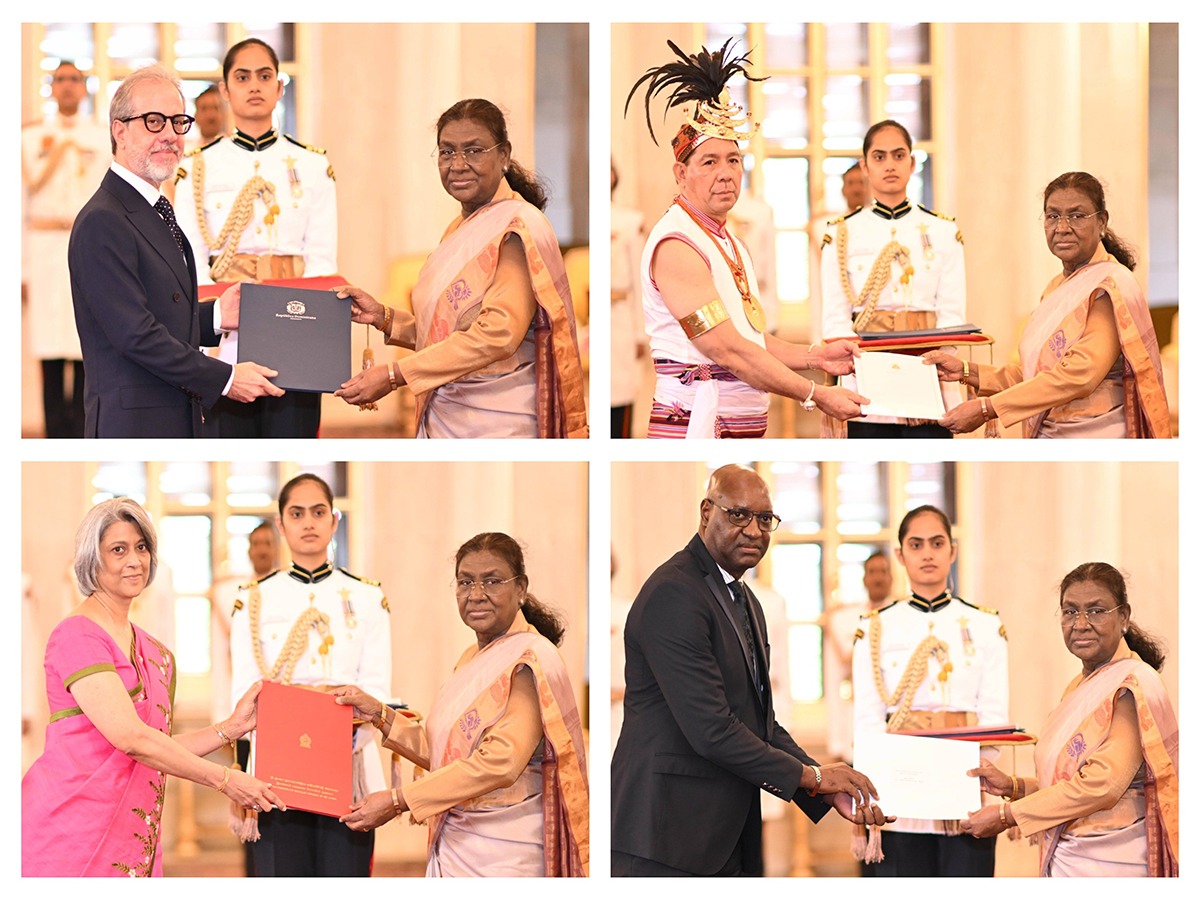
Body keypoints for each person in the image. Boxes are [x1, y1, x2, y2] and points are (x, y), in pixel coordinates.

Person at [611, 465, 890, 876]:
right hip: (666, 835)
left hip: (725, 831)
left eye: (765, 519)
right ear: (707, 512)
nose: (754, 531)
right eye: (738, 514)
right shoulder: (674, 592)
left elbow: (759, 721)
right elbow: (712, 729)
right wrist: (813, 776)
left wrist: (823, 790)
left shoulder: (746, 601)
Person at [21, 498, 282, 877]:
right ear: (91, 561)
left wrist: (232, 727)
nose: (134, 560)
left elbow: (156, 743)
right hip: (70, 835)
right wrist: (226, 780)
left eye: (141, 547)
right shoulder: (77, 634)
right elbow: (132, 739)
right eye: (118, 549)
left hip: (132, 837)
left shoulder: (153, 650)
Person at [624, 40, 867, 438]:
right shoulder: (677, 244)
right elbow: (727, 350)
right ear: (680, 174)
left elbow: (749, 337)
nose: (726, 173)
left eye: (733, 160)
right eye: (709, 162)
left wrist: (816, 356)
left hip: (737, 420)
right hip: (697, 424)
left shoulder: (727, 238)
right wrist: (815, 395)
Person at [333, 532, 589, 876]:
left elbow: (500, 762)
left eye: (492, 581)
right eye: (465, 582)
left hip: (506, 857)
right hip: (458, 844)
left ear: (521, 588)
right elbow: (450, 752)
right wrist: (381, 715)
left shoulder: (530, 658)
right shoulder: (472, 657)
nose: (476, 594)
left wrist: (399, 801)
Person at [333, 99, 587, 438]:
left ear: (504, 155)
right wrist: (383, 317)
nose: (459, 164)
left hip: (497, 425)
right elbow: (448, 331)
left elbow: (497, 334)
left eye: (474, 150)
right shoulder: (459, 228)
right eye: (447, 152)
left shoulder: (516, 228)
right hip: (448, 416)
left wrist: (396, 374)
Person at [68, 64, 282, 438]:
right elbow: (136, 334)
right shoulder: (103, 220)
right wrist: (227, 378)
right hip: (134, 425)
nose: (170, 135)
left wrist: (217, 315)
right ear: (119, 130)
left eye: (178, 122)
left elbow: (159, 311)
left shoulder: (153, 208)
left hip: (173, 415)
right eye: (153, 121)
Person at [961, 563, 1178, 877]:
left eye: (1096, 611)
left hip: (1113, 867)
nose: (1081, 624)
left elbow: (1103, 785)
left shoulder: (1130, 685)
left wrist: (1009, 815)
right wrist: (1014, 786)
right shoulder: (1080, 685)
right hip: (1074, 860)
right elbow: (1068, 782)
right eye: (1070, 611)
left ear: (1124, 617)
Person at [228, 473, 391, 876]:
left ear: (334, 520)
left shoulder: (368, 598)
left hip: (347, 764)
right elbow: (246, 691)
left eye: (318, 512)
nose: (309, 523)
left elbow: (377, 687)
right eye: (296, 514)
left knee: (344, 873)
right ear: (281, 524)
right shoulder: (253, 599)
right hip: (278, 770)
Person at [925, 172, 1170, 438]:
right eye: (1053, 216)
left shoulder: (1110, 285)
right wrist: (965, 371)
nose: (1062, 227)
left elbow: (1080, 375)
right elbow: (1039, 374)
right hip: (1051, 435)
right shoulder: (1056, 287)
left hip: (1096, 440)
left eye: (1076, 216)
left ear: (1101, 222)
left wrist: (988, 408)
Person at [174, 38, 337, 438]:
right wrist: (213, 329)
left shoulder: (313, 165)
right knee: (226, 437)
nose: (254, 86)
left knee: (292, 434)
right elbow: (189, 258)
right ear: (225, 90)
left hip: (295, 324)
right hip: (225, 334)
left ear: (280, 88)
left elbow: (321, 258)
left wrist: (311, 332)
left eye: (265, 76)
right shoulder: (198, 168)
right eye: (242, 77)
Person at [851, 504, 1009, 876]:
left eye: (937, 543)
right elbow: (869, 723)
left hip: (966, 794)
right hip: (901, 800)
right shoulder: (875, 628)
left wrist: (963, 779)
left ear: (952, 551)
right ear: (900, 555)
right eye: (916, 544)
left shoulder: (985, 625)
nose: (927, 553)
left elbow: (995, 718)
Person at [821, 119, 967, 438]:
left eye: (899, 156)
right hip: (867, 375)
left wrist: (939, 364)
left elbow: (952, 314)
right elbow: (835, 318)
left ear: (912, 163)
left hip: (928, 373)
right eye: (879, 156)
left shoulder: (943, 232)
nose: (890, 165)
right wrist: (864, 368)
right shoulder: (840, 233)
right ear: (864, 165)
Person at [22, 61, 109, 438]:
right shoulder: (28, 139)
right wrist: (19, 270)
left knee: (87, 343)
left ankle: (85, 432)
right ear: (52, 88)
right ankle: (56, 430)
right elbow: (17, 205)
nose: (68, 86)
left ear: (85, 87)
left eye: (75, 79)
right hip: (43, 249)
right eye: (61, 80)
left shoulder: (103, 138)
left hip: (88, 248)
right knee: (50, 349)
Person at [823, 550, 893, 765]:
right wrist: (835, 741)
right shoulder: (846, 619)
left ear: (892, 577)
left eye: (883, 571)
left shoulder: (904, 618)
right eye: (872, 572)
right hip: (857, 716)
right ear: (864, 577)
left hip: (895, 719)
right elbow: (835, 680)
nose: (878, 577)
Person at [611, 159, 647, 438]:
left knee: (620, 393)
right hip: (589, 316)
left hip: (620, 314)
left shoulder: (630, 221)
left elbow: (640, 278)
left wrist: (640, 332)